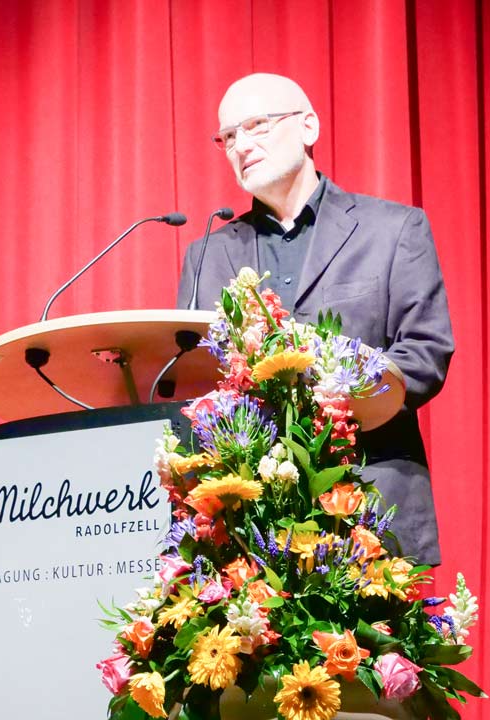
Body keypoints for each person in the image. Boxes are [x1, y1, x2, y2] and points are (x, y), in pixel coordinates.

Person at [176, 73, 454, 566]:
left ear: (308, 127)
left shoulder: (392, 230)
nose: (241, 145)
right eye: (228, 137)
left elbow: (424, 354)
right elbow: (191, 379)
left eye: (256, 125)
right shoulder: (207, 256)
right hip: (250, 524)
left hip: (368, 505)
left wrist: (334, 389)